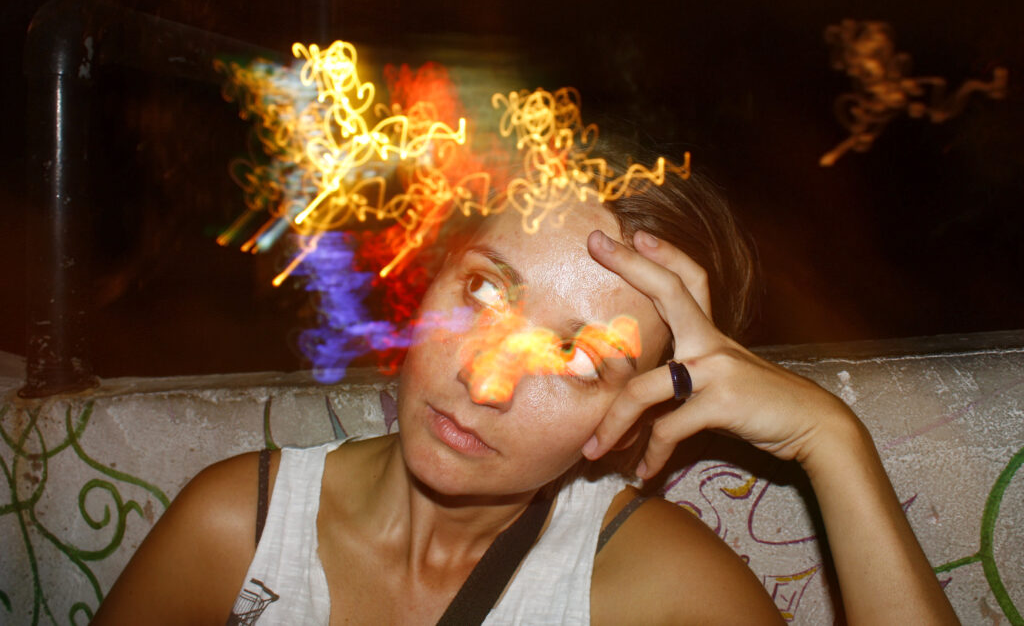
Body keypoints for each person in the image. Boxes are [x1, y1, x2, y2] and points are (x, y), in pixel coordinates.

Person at [92, 154, 958, 624]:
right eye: (483, 292)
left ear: (630, 424)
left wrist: (829, 439)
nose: (486, 375)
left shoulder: (651, 589)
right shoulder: (237, 530)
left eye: (580, 360)